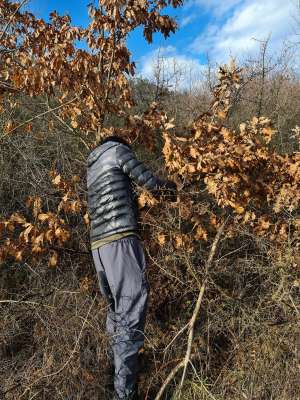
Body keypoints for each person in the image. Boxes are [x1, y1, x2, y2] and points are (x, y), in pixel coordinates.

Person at [86, 136, 176, 400]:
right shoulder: (118, 151)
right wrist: (172, 189)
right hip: (120, 240)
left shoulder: (92, 165)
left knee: (116, 313)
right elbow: (147, 181)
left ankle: (115, 377)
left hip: (99, 247)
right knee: (131, 308)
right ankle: (124, 394)